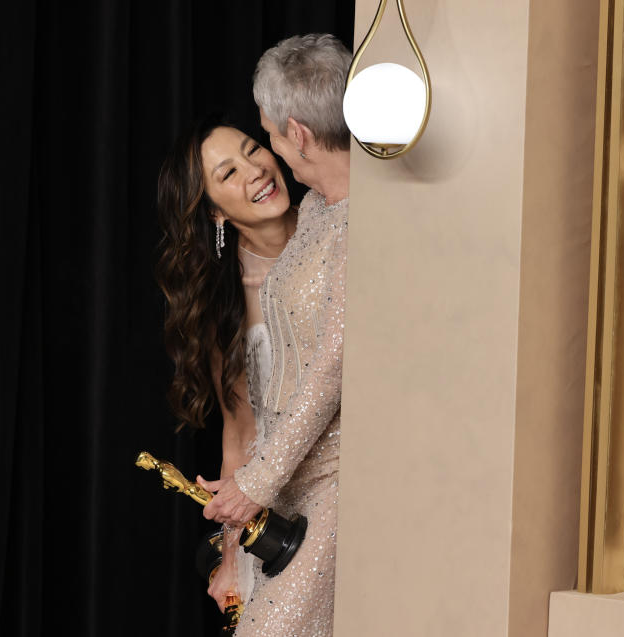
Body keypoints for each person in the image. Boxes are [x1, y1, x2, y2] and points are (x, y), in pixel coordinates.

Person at [197, 33, 352, 637]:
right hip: (280, 496)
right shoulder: (316, 207)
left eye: (258, 139)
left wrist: (255, 482)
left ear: (296, 134)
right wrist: (235, 536)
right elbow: (246, 424)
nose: (262, 164)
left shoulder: (345, 218)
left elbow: (332, 366)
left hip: (335, 484)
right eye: (226, 173)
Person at [155, 114, 297, 613]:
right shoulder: (225, 306)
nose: (254, 170)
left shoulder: (343, 235)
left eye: (252, 150)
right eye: (228, 173)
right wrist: (234, 557)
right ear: (214, 212)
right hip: (284, 505)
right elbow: (239, 436)